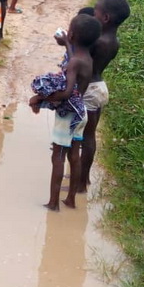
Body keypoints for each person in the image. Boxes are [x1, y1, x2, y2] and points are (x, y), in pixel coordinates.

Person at [29, 14, 102, 211]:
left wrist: (41, 98)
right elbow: (74, 58)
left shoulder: (73, 63)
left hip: (67, 115)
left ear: (71, 34)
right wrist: (67, 45)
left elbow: (67, 92)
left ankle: (53, 203)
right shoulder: (86, 58)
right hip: (81, 112)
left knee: (58, 156)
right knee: (74, 155)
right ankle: (70, 199)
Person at [77, 0, 131, 193]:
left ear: (105, 18)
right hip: (99, 87)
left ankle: (81, 183)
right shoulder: (113, 41)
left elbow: (81, 62)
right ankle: (84, 177)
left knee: (85, 136)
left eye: (96, 11)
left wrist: (68, 42)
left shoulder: (97, 42)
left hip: (89, 90)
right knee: (89, 135)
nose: (93, 13)